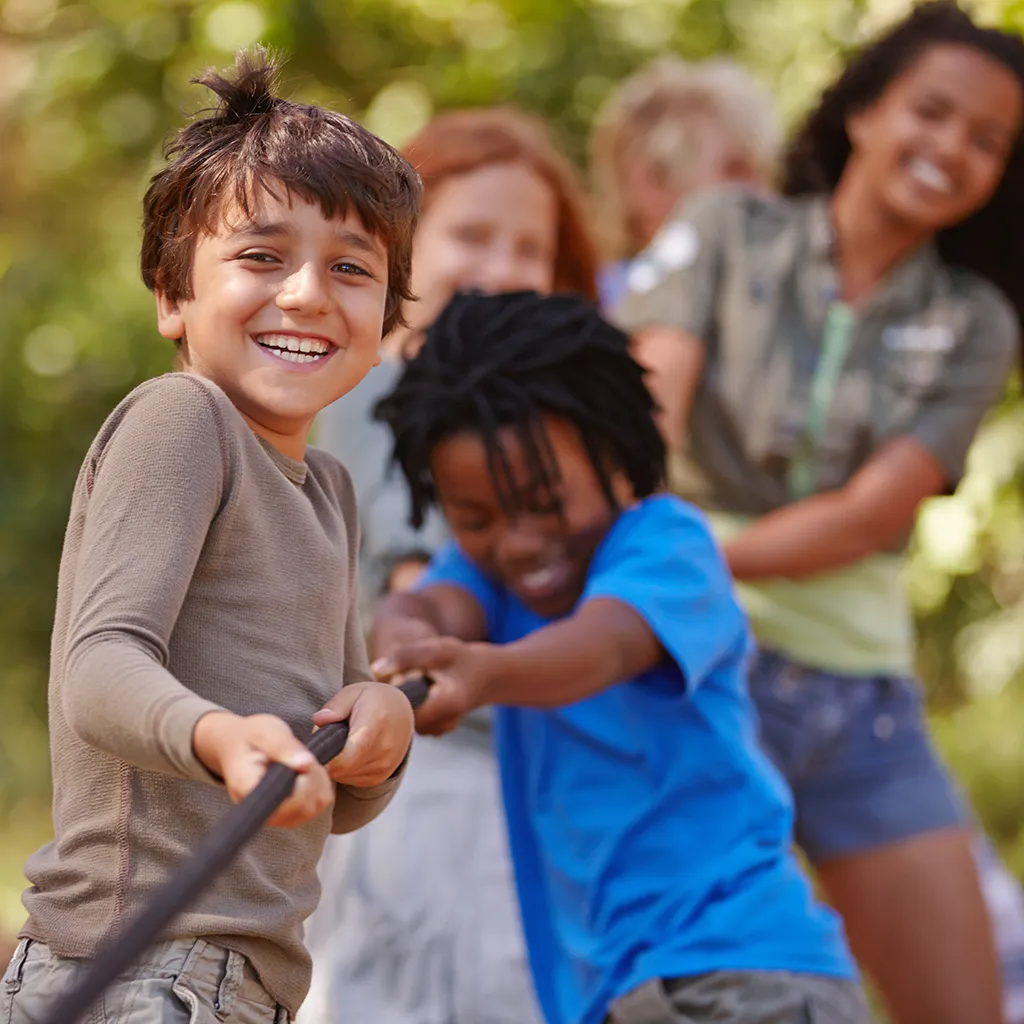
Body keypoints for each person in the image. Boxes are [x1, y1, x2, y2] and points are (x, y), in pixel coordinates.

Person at [614, 4, 1024, 1023]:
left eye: (986, 140)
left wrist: (695, 549)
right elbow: (638, 422)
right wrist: (668, 573)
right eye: (931, 111)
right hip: (692, 674)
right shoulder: (724, 230)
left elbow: (869, 518)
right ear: (864, 110)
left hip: (858, 704)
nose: (951, 148)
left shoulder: (973, 320)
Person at [2, 51, 419, 1024]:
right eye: (262, 257)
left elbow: (322, 793)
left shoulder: (328, 491)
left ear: (387, 321)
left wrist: (381, 733)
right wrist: (220, 737)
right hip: (137, 967)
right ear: (172, 295)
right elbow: (98, 666)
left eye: (351, 268)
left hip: (240, 981)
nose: (308, 293)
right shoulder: (184, 419)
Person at [368, 289, 872, 1024]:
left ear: (615, 453)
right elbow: (425, 609)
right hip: (614, 997)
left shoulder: (667, 547)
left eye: (546, 500)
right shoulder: (485, 578)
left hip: (743, 975)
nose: (518, 542)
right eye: (475, 518)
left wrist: (483, 673)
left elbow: (601, 647)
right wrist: (400, 650)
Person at [301, 109, 598, 1024]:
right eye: (471, 235)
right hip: (436, 774)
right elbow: (416, 582)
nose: (500, 267)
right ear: (400, 248)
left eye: (529, 249)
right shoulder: (387, 386)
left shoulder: (535, 420)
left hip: (521, 766)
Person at [589, 56, 778, 310]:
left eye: (764, 173)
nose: (765, 195)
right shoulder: (601, 311)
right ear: (652, 182)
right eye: (735, 171)